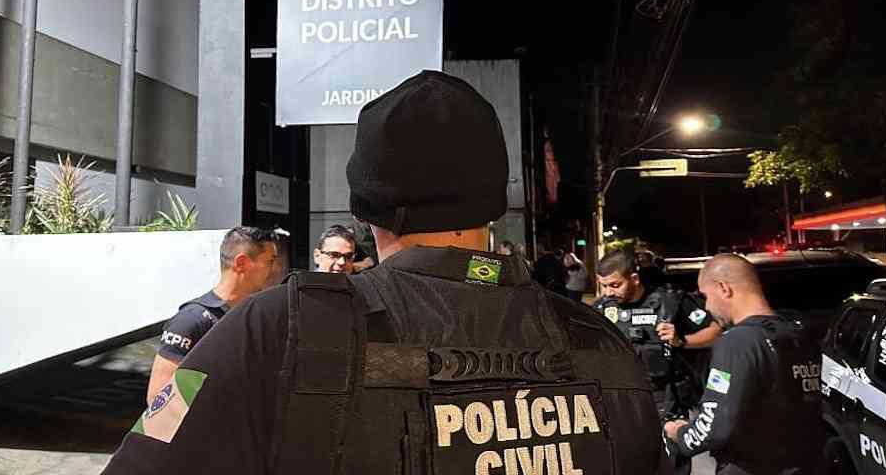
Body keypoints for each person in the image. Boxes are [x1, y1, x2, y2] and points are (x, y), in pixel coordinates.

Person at [104, 70, 668, 474]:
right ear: (494, 204)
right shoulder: (599, 341)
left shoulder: (273, 328)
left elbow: (148, 452)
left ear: (364, 209)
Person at [664, 254, 823, 474]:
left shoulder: (737, 343)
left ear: (724, 288)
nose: (707, 306)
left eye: (705, 296)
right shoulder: (799, 335)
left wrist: (680, 434)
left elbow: (715, 425)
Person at [592, 247, 721, 475]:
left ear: (634, 279)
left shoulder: (670, 302)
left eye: (615, 285)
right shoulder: (602, 309)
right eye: (604, 286)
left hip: (665, 400)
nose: (608, 292)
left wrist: (682, 341)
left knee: (669, 465)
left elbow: (715, 331)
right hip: (621, 401)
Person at [144, 226, 277, 404]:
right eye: (270, 261)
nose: (276, 269)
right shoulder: (192, 320)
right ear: (241, 263)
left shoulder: (256, 319)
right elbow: (158, 399)